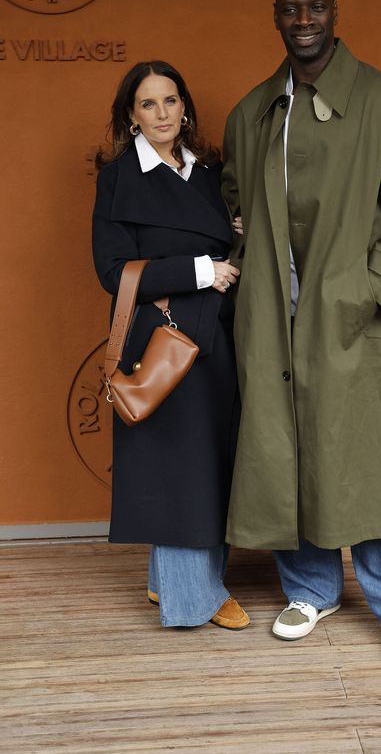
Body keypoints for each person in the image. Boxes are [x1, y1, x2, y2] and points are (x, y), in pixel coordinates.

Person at [221, 0, 381, 667]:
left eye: (315, 6)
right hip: (273, 320)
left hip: (354, 319)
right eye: (292, 9)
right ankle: (311, 588)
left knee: (373, 461)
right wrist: (248, 268)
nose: (304, 19)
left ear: (334, 12)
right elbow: (233, 198)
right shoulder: (252, 112)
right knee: (285, 449)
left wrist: (369, 290)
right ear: (276, 16)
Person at [92, 60, 249, 630]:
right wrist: (203, 270)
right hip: (163, 337)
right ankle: (193, 599)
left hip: (217, 334)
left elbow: (229, 236)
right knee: (177, 465)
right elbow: (113, 272)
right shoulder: (119, 177)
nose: (162, 113)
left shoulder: (208, 170)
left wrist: (234, 235)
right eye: (148, 104)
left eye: (170, 100)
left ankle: (170, 582)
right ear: (131, 116)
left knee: (209, 459)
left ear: (185, 107)